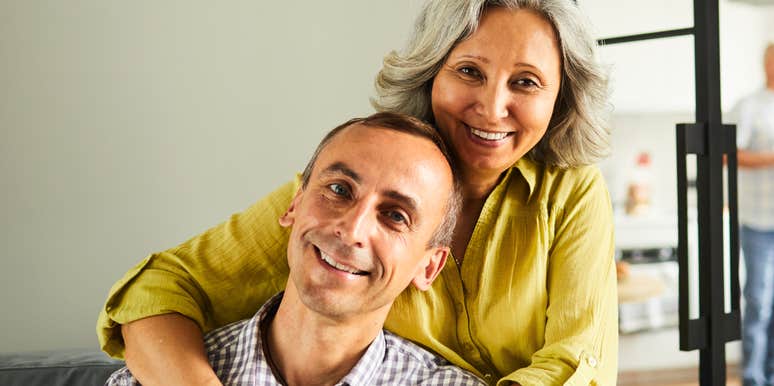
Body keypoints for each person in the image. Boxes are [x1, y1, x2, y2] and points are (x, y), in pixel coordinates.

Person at [98, 1, 617, 385]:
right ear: (432, 72)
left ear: (560, 101)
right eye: (468, 71)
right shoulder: (341, 189)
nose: (492, 105)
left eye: (525, 83)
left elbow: (577, 364)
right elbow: (160, 288)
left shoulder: (569, 194)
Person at [104, 113, 485, 386]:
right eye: (339, 190)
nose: (352, 230)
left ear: (429, 267)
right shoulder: (147, 379)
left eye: (395, 216)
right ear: (293, 205)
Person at [734, 42, 774, 386]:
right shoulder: (750, 106)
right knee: (759, 302)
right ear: (765, 63)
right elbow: (730, 154)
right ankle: (753, 378)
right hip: (759, 222)